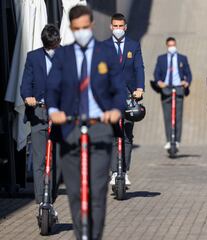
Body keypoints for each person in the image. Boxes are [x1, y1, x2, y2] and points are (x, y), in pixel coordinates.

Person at [46, 5, 127, 239]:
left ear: (91, 25)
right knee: (74, 191)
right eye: (76, 28)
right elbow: (52, 88)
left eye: (85, 27)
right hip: (70, 128)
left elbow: (118, 89)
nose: (81, 31)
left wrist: (115, 109)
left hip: (99, 127)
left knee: (96, 190)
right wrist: (53, 110)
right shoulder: (63, 55)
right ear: (72, 29)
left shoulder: (106, 53)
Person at [20, 24, 61, 213]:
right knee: (39, 158)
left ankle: (51, 195)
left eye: (55, 46)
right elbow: (25, 83)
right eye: (49, 47)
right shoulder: (33, 57)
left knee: (55, 158)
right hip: (39, 112)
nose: (52, 50)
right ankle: (40, 199)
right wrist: (27, 97)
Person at [103, 13, 145, 186]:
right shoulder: (103, 46)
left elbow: (139, 68)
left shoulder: (133, 45)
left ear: (125, 27)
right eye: (116, 26)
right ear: (111, 27)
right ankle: (114, 172)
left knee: (127, 135)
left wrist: (140, 88)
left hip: (129, 97)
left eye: (121, 26)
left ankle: (124, 170)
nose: (118, 29)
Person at [153, 37, 192, 150]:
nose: (172, 47)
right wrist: (159, 82)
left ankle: (177, 140)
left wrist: (186, 82)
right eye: (170, 45)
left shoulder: (182, 58)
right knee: (167, 116)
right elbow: (156, 74)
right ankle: (169, 140)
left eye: (173, 45)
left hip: (178, 88)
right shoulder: (161, 59)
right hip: (166, 89)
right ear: (167, 46)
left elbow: (188, 73)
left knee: (178, 116)